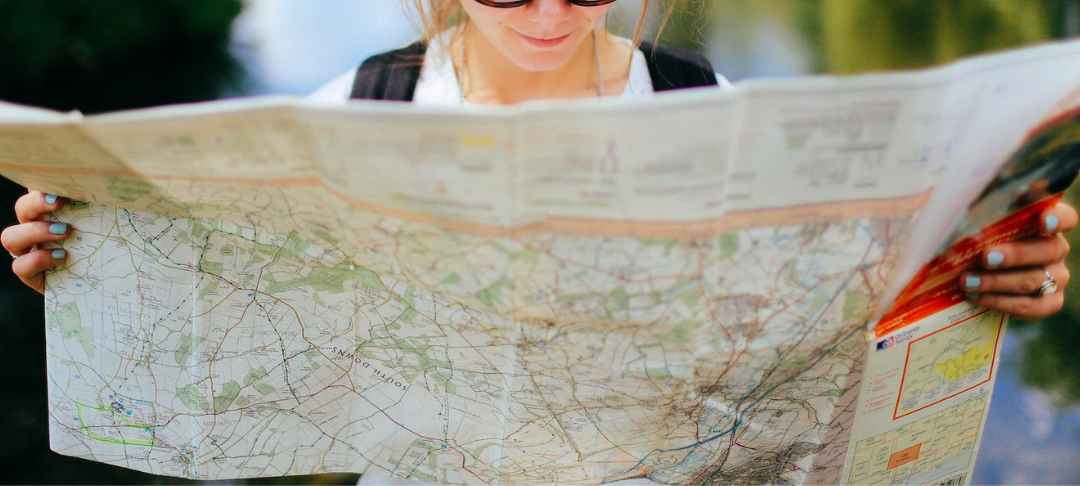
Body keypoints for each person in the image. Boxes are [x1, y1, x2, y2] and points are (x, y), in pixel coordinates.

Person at [1, 0, 1077, 484]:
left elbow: (825, 329)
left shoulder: (715, 108)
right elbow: (233, 313)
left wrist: (985, 279)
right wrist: (97, 267)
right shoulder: (355, 109)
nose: (552, 12)